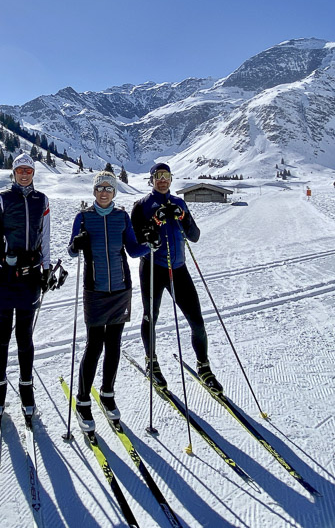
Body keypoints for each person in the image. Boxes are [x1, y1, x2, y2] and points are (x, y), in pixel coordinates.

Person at [67, 171, 149, 431]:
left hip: (121, 289)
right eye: (100, 188)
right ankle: (82, 401)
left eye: (109, 188)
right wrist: (76, 244)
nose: (104, 192)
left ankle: (107, 394)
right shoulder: (83, 217)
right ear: (94, 192)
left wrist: (151, 244)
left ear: (115, 192)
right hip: (95, 289)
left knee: (114, 344)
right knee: (94, 346)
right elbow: (71, 251)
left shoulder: (121, 217)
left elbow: (133, 249)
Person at [131, 162, 222, 393]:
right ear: (151, 180)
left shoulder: (180, 203)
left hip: (178, 268)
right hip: (152, 267)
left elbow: (195, 236)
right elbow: (136, 242)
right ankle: (151, 362)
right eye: (158, 176)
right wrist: (154, 223)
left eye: (166, 176)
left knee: (197, 321)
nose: (162, 180)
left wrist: (183, 217)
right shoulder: (142, 206)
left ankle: (204, 366)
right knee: (151, 316)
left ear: (171, 180)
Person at [0, 153, 51, 421]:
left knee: (25, 336)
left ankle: (26, 386)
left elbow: (45, 237)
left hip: (30, 276)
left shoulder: (41, 200)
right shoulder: (1, 199)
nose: (24, 174)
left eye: (29, 170)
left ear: (34, 173)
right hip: (3, 276)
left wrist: (45, 269)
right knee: (2, 336)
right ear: (13, 172)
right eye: (20, 170)